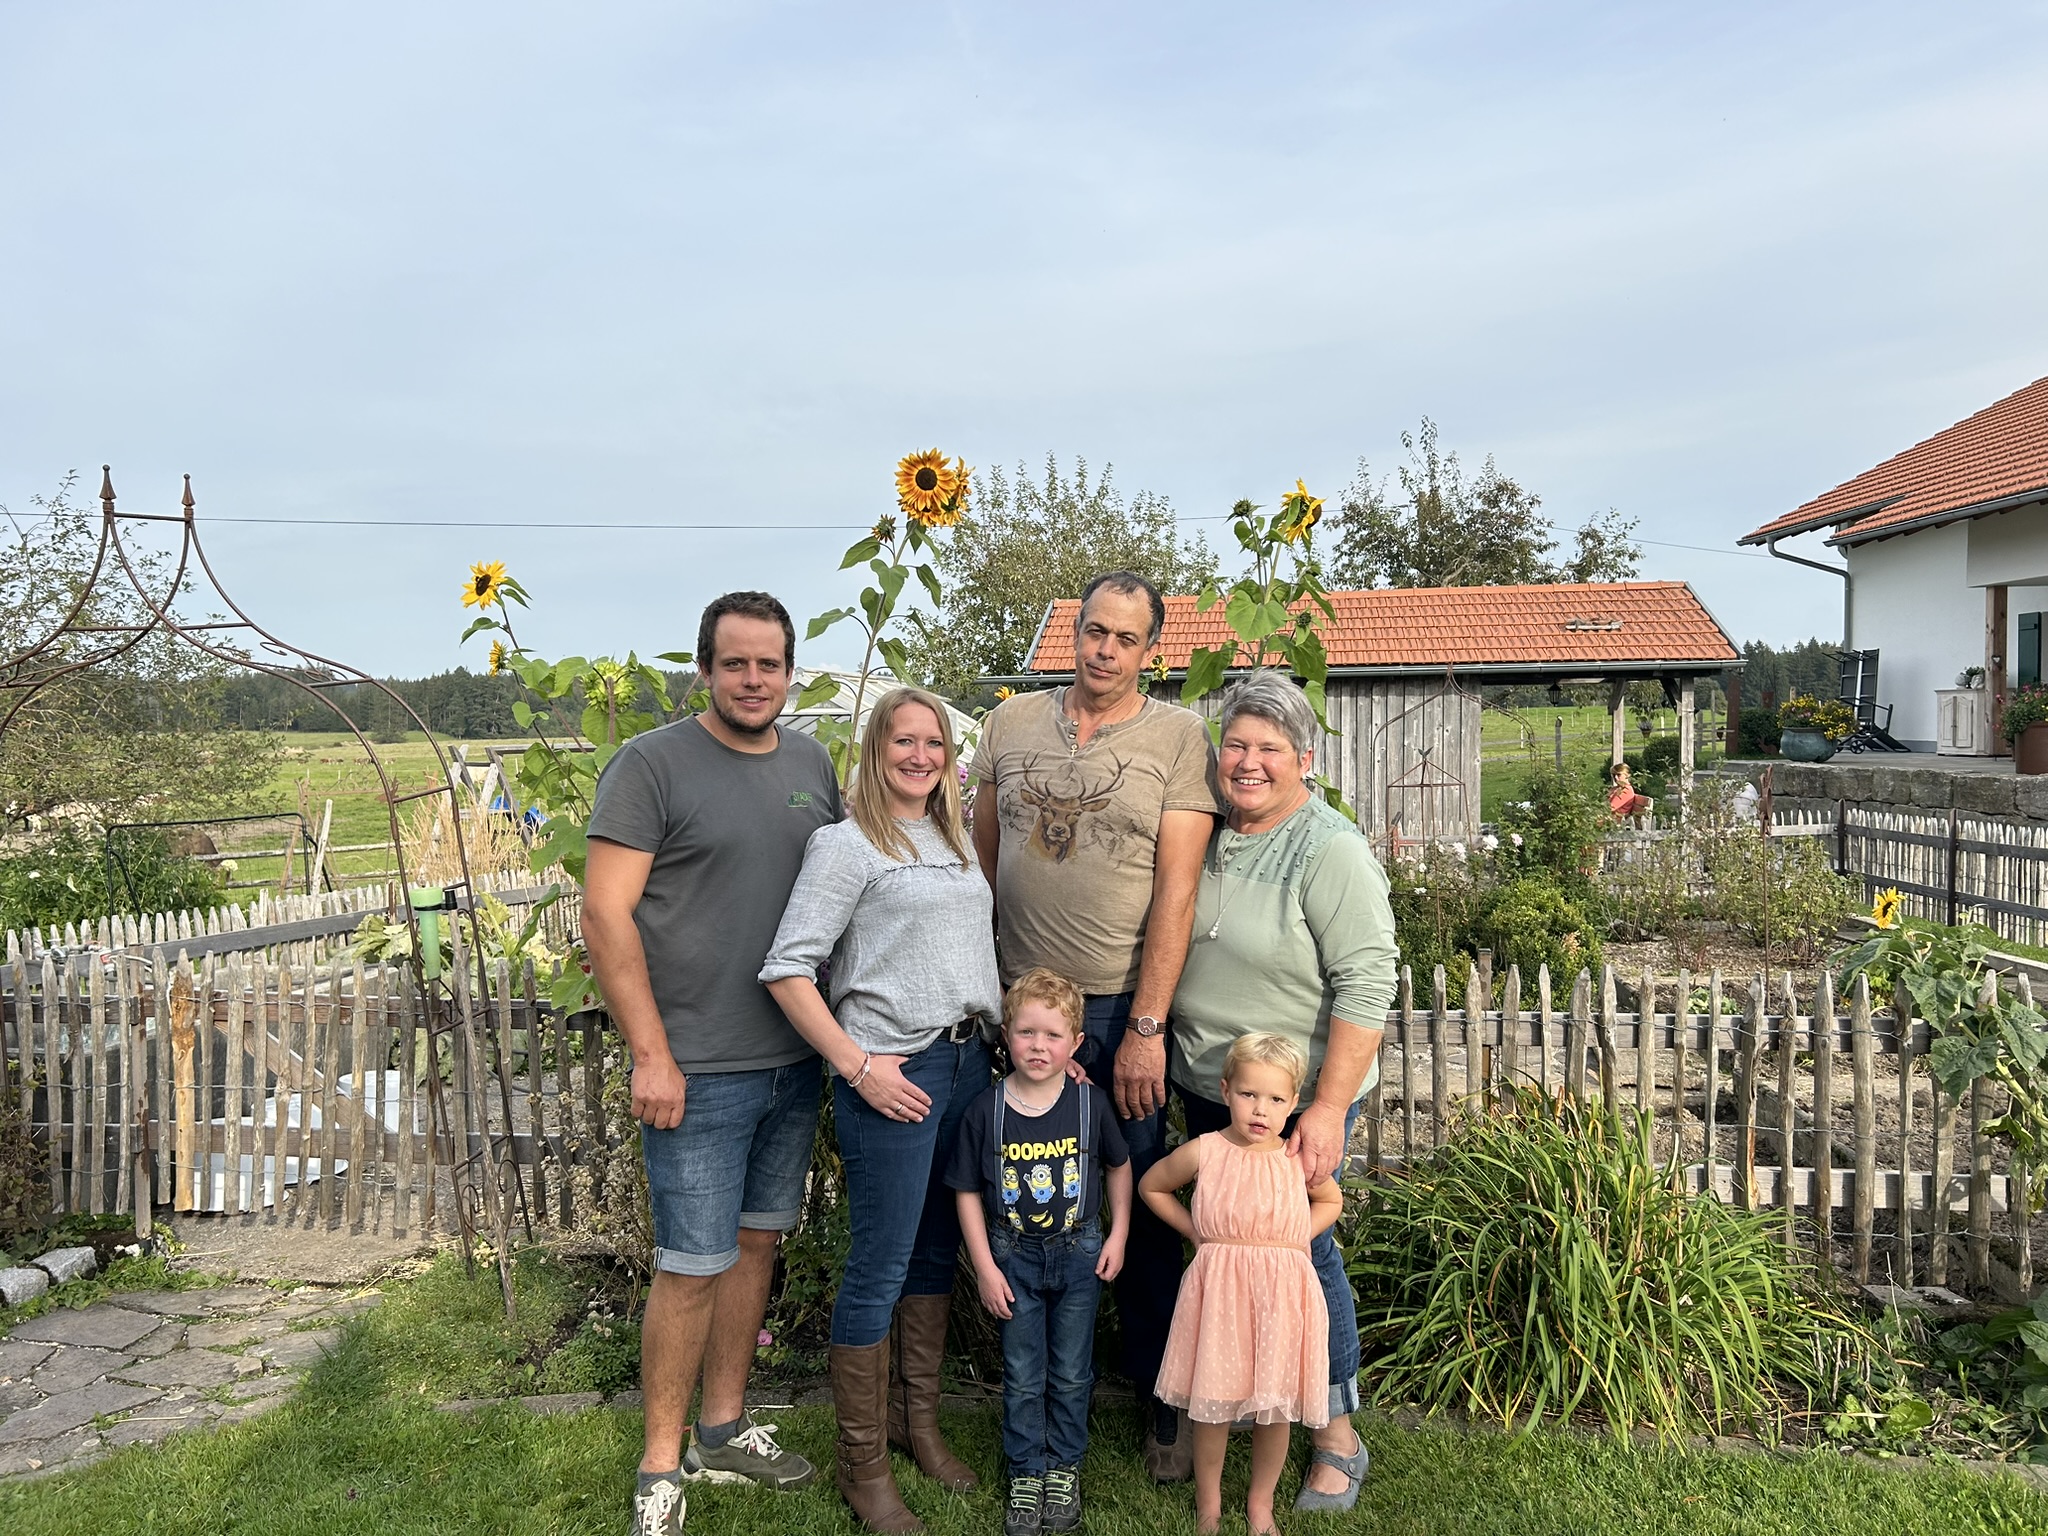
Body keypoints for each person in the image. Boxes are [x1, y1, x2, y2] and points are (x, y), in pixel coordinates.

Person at [584, 591, 841, 1536]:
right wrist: (650, 1054)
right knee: (691, 1263)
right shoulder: (651, 766)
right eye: (734, 664)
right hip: (695, 1068)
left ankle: (723, 1429)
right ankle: (661, 1465)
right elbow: (606, 914)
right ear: (703, 671)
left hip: (794, 1059)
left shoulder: (814, 763)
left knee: (759, 1246)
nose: (752, 680)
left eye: (768, 664)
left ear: (788, 672)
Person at [971, 569, 1219, 1480]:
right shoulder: (1010, 726)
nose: (1103, 649)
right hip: (1026, 1010)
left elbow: (1178, 891)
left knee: (1136, 1198)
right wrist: (996, 995)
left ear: (1151, 649)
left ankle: (1159, 1399)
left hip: (1119, 1010)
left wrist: (1148, 1026)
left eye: (1124, 637)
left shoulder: (1176, 739)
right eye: (1092, 631)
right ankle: (1035, 1392)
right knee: (1027, 1197)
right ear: (1072, 634)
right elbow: (985, 863)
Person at [761, 686, 1000, 1533]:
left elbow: (966, 951)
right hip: (892, 1074)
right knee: (882, 1264)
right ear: (876, 750)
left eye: (933, 742)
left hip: (970, 1066)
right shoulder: (847, 844)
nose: (920, 756)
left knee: (937, 1256)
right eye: (904, 741)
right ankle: (862, 1464)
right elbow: (790, 968)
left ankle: (917, 1424)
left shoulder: (953, 837)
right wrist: (858, 1068)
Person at [1169, 669, 1396, 1510]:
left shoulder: (1328, 846)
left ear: (1305, 758)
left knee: (1302, 1253)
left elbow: (1369, 983)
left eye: (1269, 748)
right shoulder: (1206, 833)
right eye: (1235, 744)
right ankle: (1219, 1401)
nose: (1249, 762)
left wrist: (1330, 1108)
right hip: (1208, 1086)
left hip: (1294, 1099)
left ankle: (1335, 1433)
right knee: (1226, 1256)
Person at [948, 968, 1133, 1536]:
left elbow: (1120, 1167)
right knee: (1025, 1373)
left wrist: (1119, 1232)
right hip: (1013, 1261)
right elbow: (967, 1191)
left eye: (1053, 1036)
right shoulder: (987, 1110)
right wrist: (984, 1267)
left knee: (1072, 1373)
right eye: (1026, 1033)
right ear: (1006, 1035)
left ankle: (1064, 1467)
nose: (1038, 1046)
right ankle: (1028, 1470)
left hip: (1079, 1254)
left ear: (1076, 1044)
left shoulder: (1089, 1104)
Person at [1141, 1033, 1341, 1536]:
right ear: (1226, 1090)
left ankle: (1260, 1505)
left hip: (1282, 1296)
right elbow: (1152, 1185)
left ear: (1294, 1103)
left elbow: (1330, 1202)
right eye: (1249, 1094)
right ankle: (1209, 1505)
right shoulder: (1207, 1150)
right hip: (1220, 1295)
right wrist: (1195, 1231)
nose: (1261, 1109)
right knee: (1213, 1405)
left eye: (1276, 1099)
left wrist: (1294, 1238)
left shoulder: (1296, 1159)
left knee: (1275, 1408)